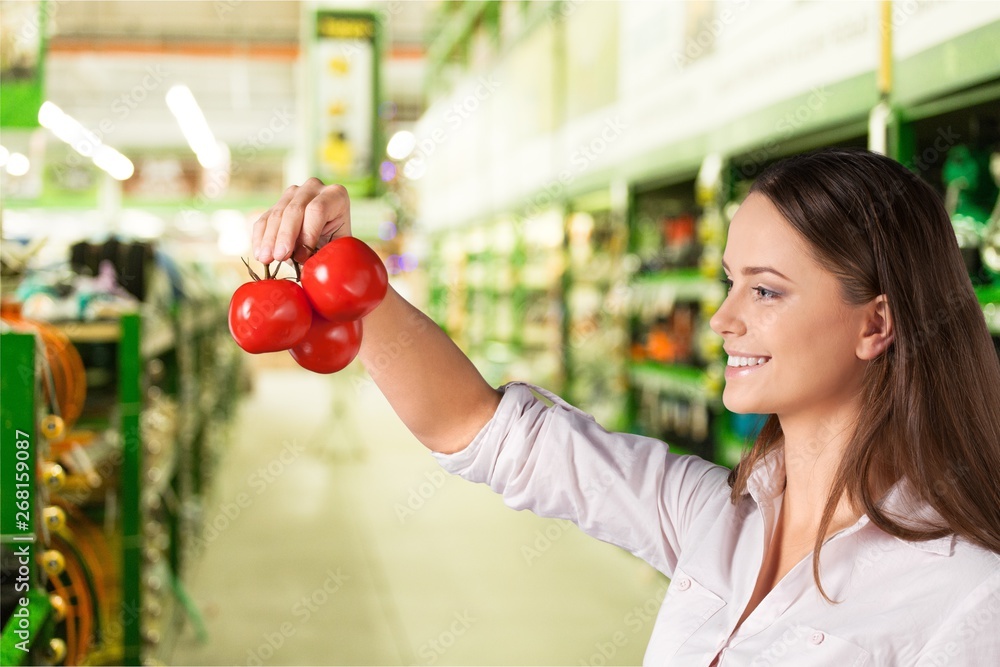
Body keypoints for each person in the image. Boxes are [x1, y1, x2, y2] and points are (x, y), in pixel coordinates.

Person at [251, 148, 1000, 665]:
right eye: (730, 280)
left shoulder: (965, 594)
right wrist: (342, 276)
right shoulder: (719, 518)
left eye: (765, 290)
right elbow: (476, 426)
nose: (722, 318)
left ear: (876, 322)